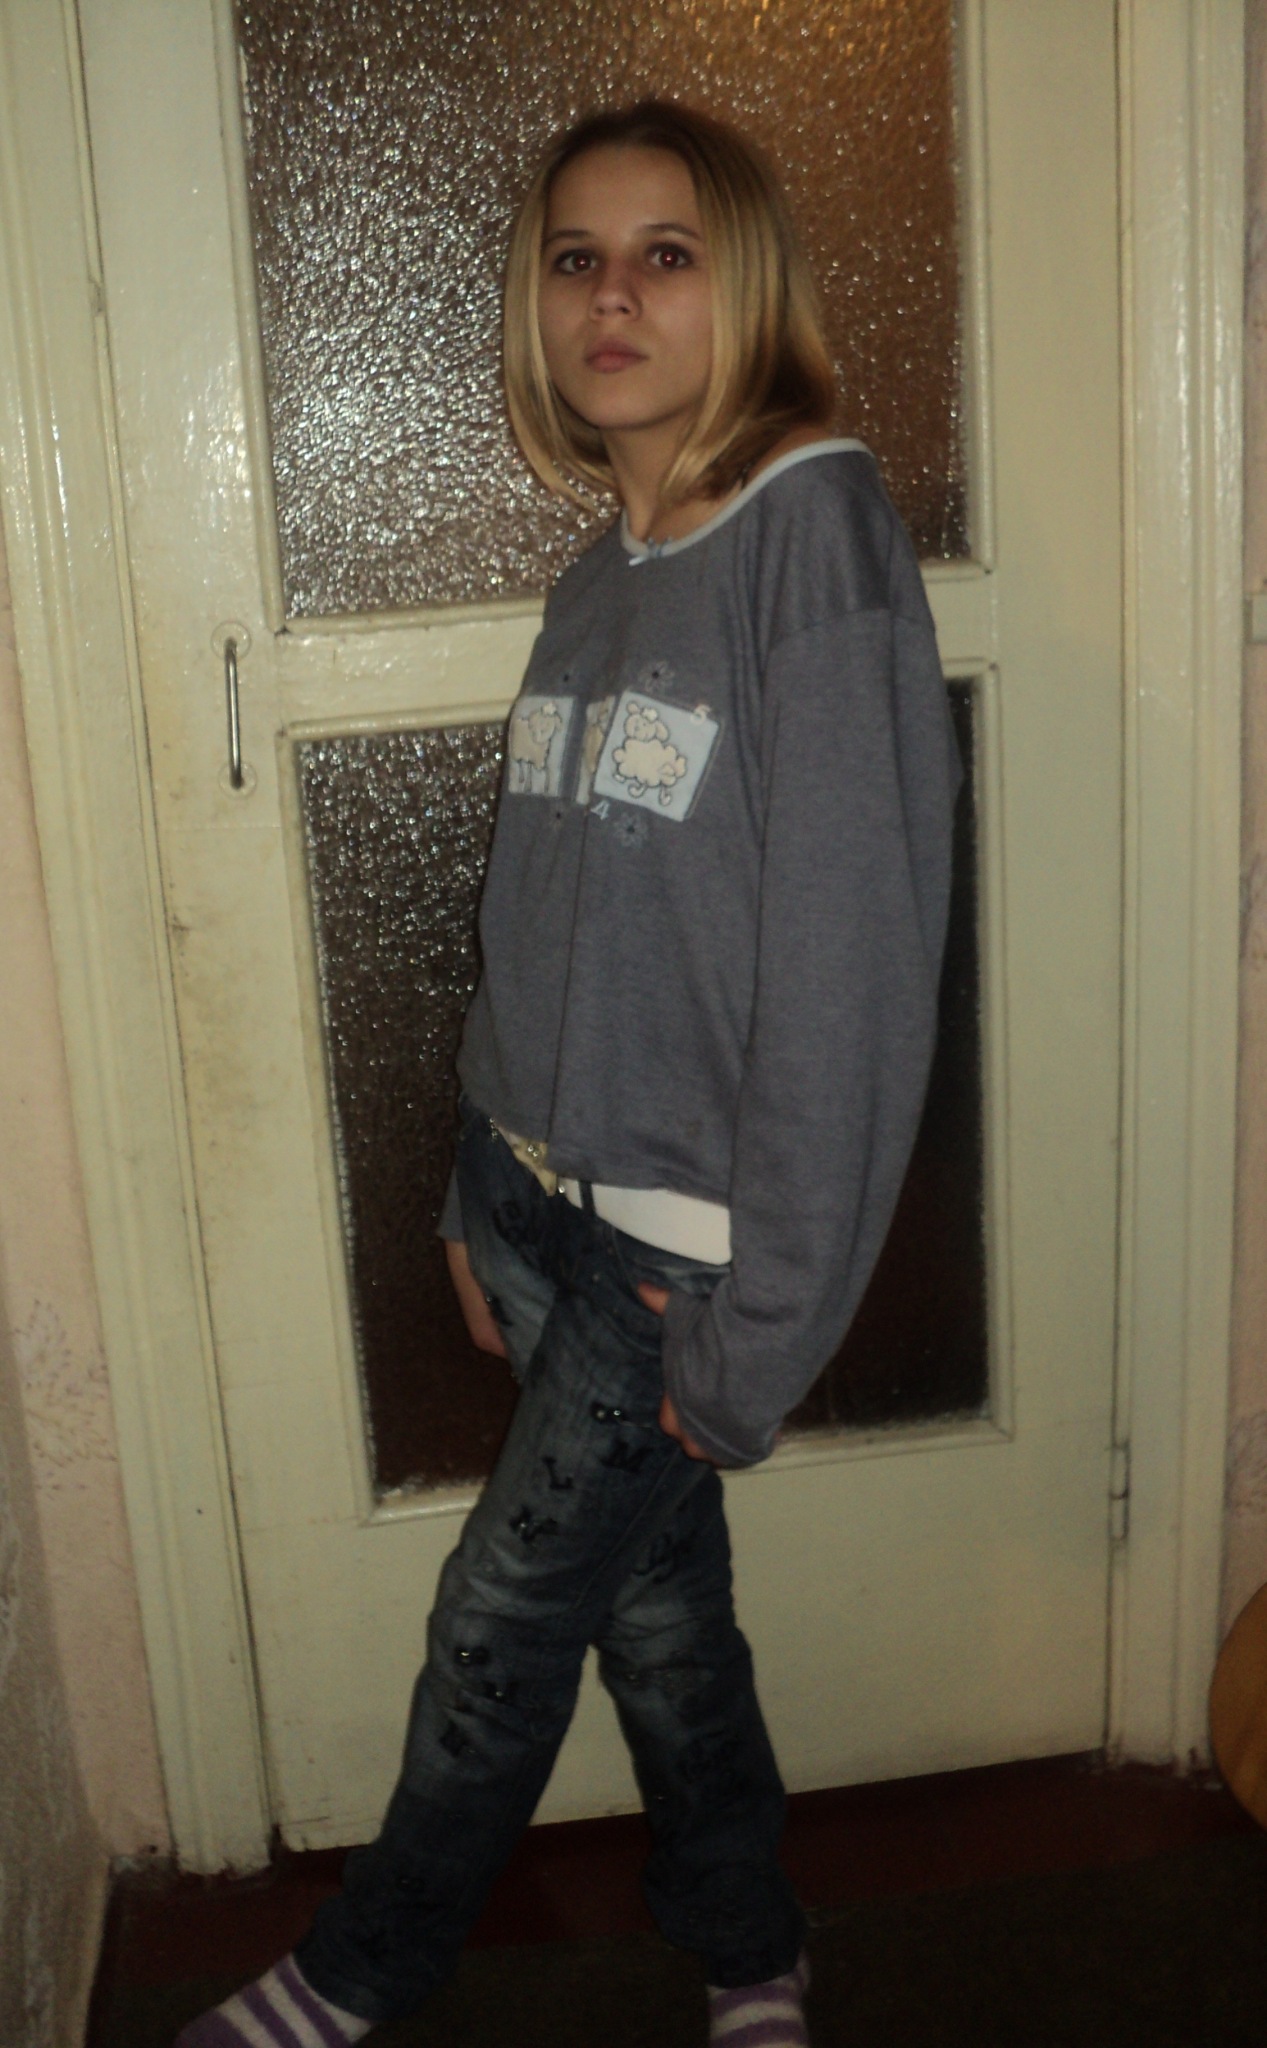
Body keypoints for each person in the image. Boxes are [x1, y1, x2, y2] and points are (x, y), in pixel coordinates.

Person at [178, 98, 960, 2048]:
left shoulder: (816, 538)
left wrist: (760, 1332)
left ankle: (359, 1970)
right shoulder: (601, 571)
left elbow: (852, 985)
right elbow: (538, 914)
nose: (612, 295)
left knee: (498, 1623)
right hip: (537, 1204)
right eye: (573, 259)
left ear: (745, 283)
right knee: (661, 1618)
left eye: (665, 254)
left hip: (677, 1258)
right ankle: (750, 1937)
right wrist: (477, 1179)